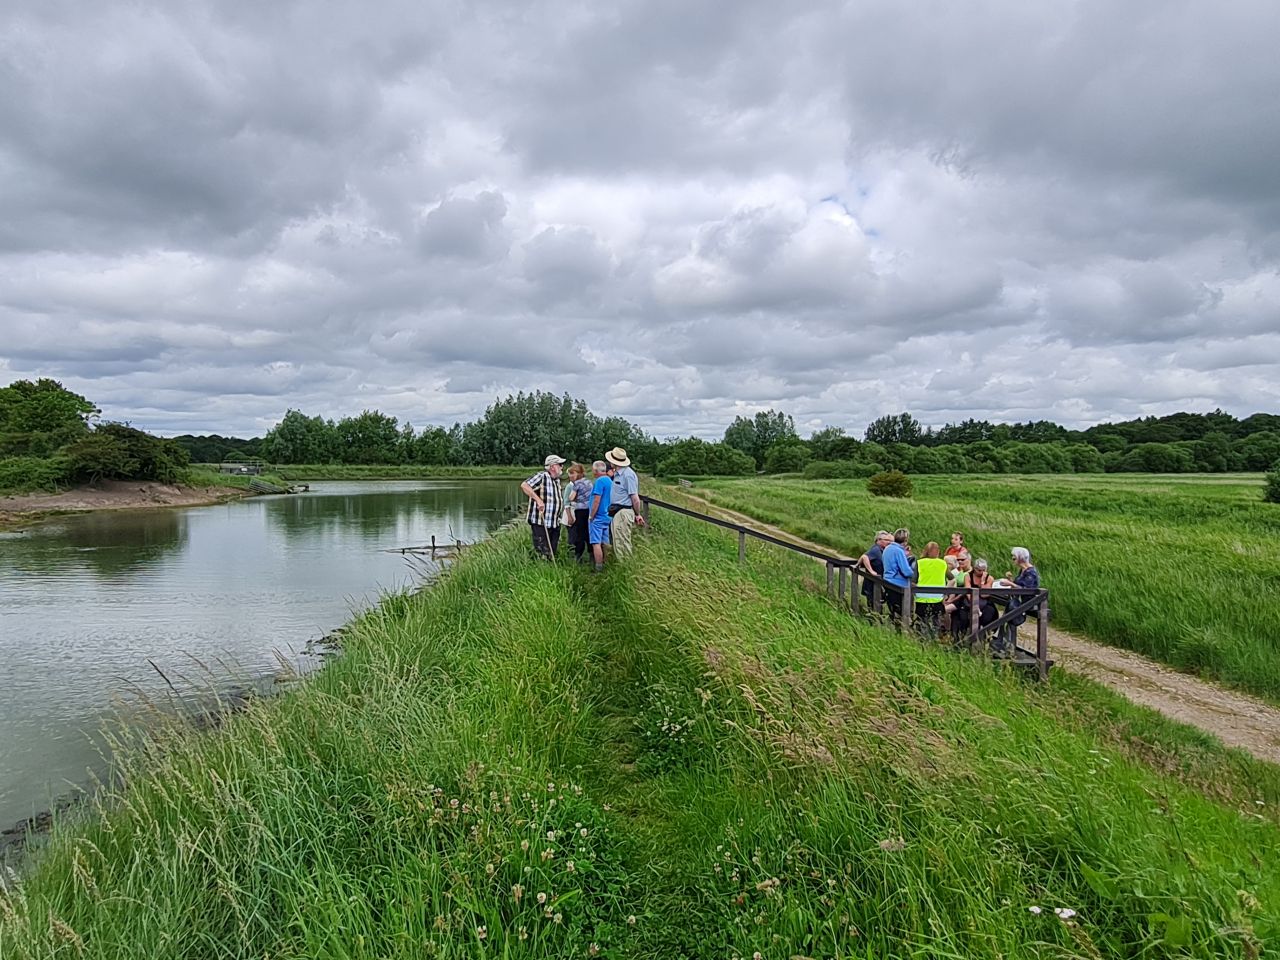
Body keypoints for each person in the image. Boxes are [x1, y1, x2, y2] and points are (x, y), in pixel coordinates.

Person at [994, 546, 1041, 657]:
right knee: (1008, 612)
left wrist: (1011, 584)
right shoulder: (1022, 570)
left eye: (1014, 557)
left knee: (1010, 615)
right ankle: (1004, 643)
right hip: (1018, 600)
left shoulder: (1031, 572)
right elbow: (1019, 585)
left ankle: (1007, 645)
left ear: (1020, 558)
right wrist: (1010, 581)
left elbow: (1027, 590)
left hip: (1027, 602)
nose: (1012, 559)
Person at [520, 455, 566, 560]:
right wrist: (538, 500)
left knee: (552, 551)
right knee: (542, 551)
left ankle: (551, 570)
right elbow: (524, 485)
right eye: (560, 465)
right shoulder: (542, 476)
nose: (562, 467)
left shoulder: (557, 481)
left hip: (554, 522)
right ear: (553, 466)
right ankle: (541, 569)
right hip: (541, 521)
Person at [606, 447, 646, 558]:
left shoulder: (627, 475)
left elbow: (635, 497)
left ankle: (626, 565)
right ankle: (623, 565)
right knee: (618, 541)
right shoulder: (618, 474)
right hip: (617, 511)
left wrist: (637, 514)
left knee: (623, 542)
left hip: (623, 511)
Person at [953, 557, 997, 646]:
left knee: (989, 615)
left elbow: (985, 594)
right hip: (969, 600)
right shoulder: (968, 576)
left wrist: (982, 582)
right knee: (962, 616)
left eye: (983, 570)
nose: (980, 572)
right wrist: (974, 603)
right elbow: (968, 591)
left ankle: (984, 638)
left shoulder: (989, 578)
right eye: (978, 570)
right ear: (974, 568)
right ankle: (960, 638)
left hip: (984, 602)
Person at [881, 528, 914, 624]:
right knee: (902, 612)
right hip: (898, 583)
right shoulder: (898, 551)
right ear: (906, 540)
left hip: (887, 580)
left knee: (893, 609)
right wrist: (913, 572)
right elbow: (906, 571)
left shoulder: (888, 548)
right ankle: (904, 630)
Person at [915, 542, 948, 637]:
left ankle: (922, 641)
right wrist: (945, 592)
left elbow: (913, 580)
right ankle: (935, 641)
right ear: (938, 552)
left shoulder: (920, 563)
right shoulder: (943, 563)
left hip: (921, 597)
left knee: (921, 623)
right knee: (936, 623)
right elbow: (951, 578)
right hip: (937, 598)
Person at [587, 460, 613, 572]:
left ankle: (598, 568)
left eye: (593, 470)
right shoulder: (609, 480)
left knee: (596, 543)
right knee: (605, 542)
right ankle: (607, 564)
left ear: (596, 471)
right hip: (607, 516)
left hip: (598, 516)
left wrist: (591, 516)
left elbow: (597, 500)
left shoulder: (599, 481)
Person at [564, 462, 593, 563]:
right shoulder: (589, 482)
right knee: (589, 532)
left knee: (580, 534)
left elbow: (570, 498)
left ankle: (578, 556)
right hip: (590, 509)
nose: (571, 476)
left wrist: (575, 499)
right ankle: (591, 555)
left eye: (573, 474)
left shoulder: (577, 484)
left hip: (580, 510)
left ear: (578, 474)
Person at [858, 530, 893, 613]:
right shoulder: (875, 550)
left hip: (877, 584)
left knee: (877, 607)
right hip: (872, 585)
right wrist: (871, 571)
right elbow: (864, 557)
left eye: (890, 541)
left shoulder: (883, 550)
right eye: (886, 540)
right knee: (873, 608)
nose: (889, 542)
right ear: (878, 540)